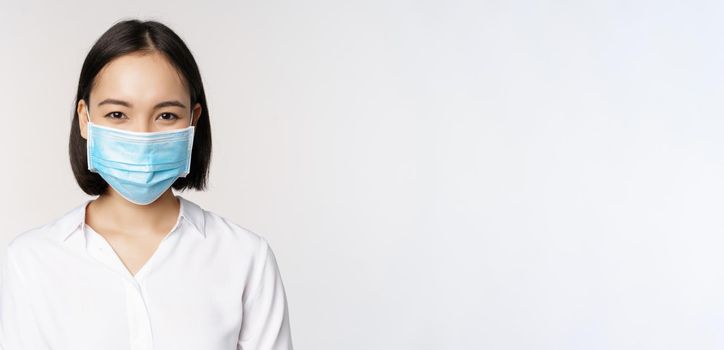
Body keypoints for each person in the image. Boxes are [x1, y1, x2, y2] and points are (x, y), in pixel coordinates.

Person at [0, 19, 293, 350]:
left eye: (166, 115)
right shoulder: (32, 260)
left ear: (193, 120)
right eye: (117, 115)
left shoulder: (245, 258)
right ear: (85, 119)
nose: (142, 135)